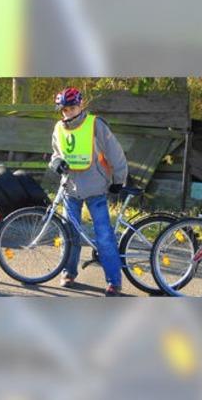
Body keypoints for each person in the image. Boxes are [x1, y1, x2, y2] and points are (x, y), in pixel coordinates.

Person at [48, 87, 128, 296]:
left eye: (72, 108)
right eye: (65, 110)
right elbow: (56, 153)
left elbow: (115, 152)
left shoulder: (95, 124)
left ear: (81, 106)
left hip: (95, 188)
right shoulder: (59, 128)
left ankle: (114, 281)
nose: (69, 113)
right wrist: (56, 163)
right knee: (69, 235)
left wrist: (119, 179)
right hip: (70, 188)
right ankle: (68, 273)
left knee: (104, 236)